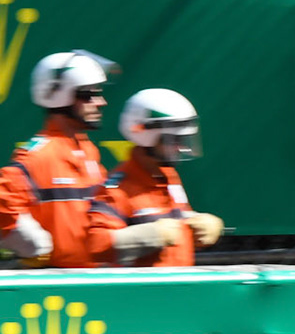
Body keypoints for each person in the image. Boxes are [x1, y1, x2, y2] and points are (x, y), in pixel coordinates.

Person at [0, 51, 146, 269]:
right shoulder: (38, 155)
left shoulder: (87, 150)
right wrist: (34, 244)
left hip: (98, 280)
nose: (102, 102)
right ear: (59, 96)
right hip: (60, 287)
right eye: (89, 95)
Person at [87, 87, 223, 267]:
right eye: (172, 141)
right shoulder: (117, 190)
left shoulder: (168, 176)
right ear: (145, 136)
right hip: (143, 291)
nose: (179, 149)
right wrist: (150, 235)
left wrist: (202, 223)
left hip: (179, 285)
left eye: (182, 141)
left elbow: (174, 223)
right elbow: (96, 245)